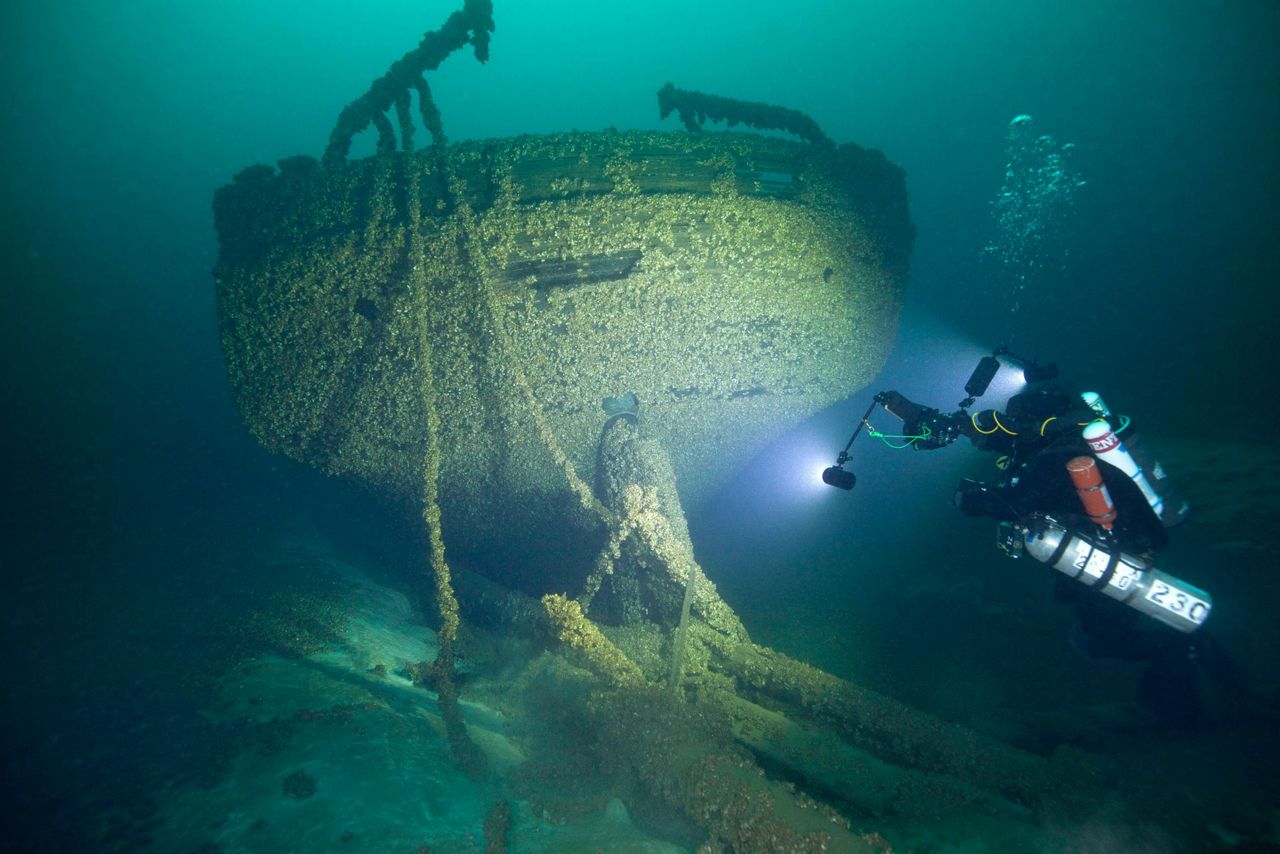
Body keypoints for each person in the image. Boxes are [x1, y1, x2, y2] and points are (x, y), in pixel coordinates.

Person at [875, 376, 1250, 728]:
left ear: (1035, 419)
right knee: (1105, 633)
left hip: (1109, 554)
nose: (1012, 426)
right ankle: (1209, 685)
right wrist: (919, 415)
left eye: (1018, 419)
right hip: (1121, 547)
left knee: (1100, 640)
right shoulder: (1069, 444)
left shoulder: (1057, 455)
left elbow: (1015, 502)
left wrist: (968, 499)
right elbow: (996, 440)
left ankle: (1191, 690)